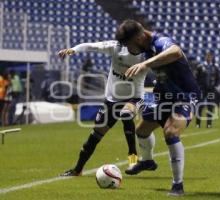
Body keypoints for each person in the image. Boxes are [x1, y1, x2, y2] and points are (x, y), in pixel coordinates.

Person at [115, 19, 201, 196]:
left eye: (129, 45)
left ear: (139, 39)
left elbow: (176, 52)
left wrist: (146, 64)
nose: (129, 50)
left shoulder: (161, 42)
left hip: (185, 96)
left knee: (171, 132)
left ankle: (178, 185)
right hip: (163, 95)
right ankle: (147, 161)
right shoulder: (145, 48)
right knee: (141, 131)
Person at [58, 40, 148, 176]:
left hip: (134, 97)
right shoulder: (116, 47)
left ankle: (133, 160)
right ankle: (77, 169)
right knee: (95, 135)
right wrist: (74, 49)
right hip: (111, 99)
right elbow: (91, 46)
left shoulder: (148, 54)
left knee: (126, 115)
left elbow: (167, 62)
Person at [194, 52, 220, 128]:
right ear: (205, 57)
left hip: (211, 90)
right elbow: (196, 78)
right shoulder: (200, 66)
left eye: (210, 57)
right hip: (202, 89)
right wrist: (198, 87)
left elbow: (218, 78)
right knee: (200, 106)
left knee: (210, 106)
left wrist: (215, 86)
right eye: (207, 56)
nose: (208, 58)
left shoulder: (215, 67)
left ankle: (209, 124)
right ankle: (198, 123)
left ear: (212, 58)